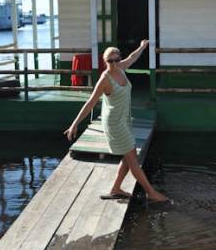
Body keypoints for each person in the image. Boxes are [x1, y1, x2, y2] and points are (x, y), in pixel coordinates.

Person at [64, 40, 169, 202]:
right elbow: (91, 102)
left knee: (128, 158)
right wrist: (74, 124)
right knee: (133, 160)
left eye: (116, 60)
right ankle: (151, 193)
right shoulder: (105, 79)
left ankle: (116, 189)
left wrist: (142, 46)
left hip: (125, 120)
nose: (113, 64)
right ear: (105, 62)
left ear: (119, 59)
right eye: (109, 61)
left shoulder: (121, 68)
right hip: (114, 123)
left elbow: (132, 57)